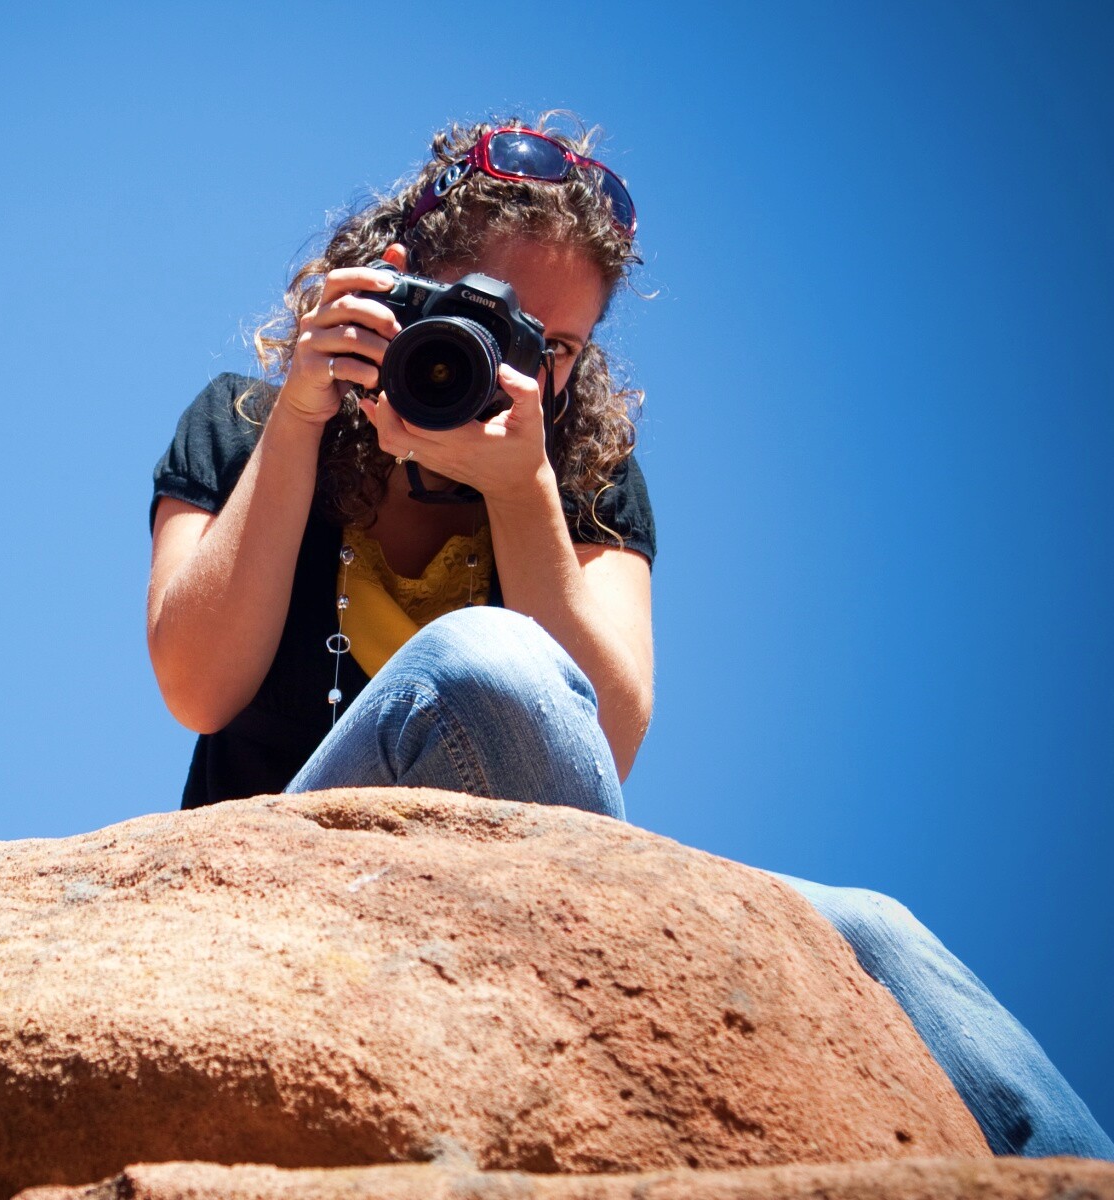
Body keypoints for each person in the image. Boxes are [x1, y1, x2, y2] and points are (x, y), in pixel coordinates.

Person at [144, 115, 1111, 1159]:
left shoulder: (588, 476)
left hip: (514, 900)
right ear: (392, 279)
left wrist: (524, 492)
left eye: (550, 345)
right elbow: (199, 685)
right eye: (474, 311)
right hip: (288, 892)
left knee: (874, 933)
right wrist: (300, 417)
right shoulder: (249, 420)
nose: (503, 362)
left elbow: (600, 739)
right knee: (486, 659)